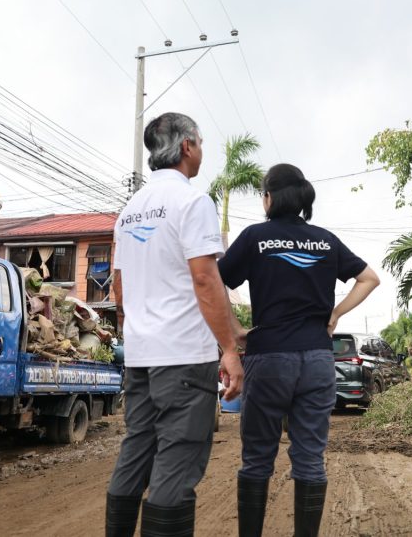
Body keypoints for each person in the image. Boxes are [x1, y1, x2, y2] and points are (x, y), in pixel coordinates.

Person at [217, 163, 380, 537]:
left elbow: (215, 282)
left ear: (269, 197)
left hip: (269, 356)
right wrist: (335, 313)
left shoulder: (255, 237)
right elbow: (369, 278)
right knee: (310, 459)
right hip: (319, 360)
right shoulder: (325, 240)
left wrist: (235, 329)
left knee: (257, 459)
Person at [106, 112, 245, 537]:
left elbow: (119, 290)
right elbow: (205, 278)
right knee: (178, 461)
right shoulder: (192, 202)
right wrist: (228, 348)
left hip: (142, 358)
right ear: (186, 147)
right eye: (200, 143)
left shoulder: (128, 212)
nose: (201, 151)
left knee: (136, 451)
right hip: (184, 359)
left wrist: (142, 331)